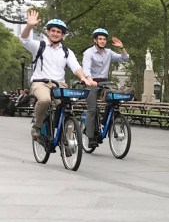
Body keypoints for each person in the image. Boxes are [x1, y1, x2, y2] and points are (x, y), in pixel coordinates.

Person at [19, 9, 96, 139]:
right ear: (48, 32)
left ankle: (68, 139)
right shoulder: (39, 46)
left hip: (59, 85)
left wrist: (83, 78)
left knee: (67, 108)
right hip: (40, 83)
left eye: (58, 32)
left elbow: (75, 67)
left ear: (63, 35)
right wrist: (29, 26)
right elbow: (24, 39)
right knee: (45, 100)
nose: (55, 34)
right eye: (53, 31)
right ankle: (37, 126)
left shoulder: (67, 52)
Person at [82, 28, 130, 148]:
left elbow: (125, 58)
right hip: (90, 82)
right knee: (92, 109)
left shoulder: (109, 52)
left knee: (114, 99)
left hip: (105, 83)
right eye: (100, 39)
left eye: (104, 39)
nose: (102, 41)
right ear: (95, 40)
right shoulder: (89, 52)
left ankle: (104, 122)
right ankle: (91, 136)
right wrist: (90, 80)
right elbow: (86, 68)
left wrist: (121, 47)